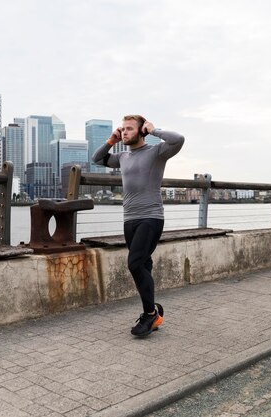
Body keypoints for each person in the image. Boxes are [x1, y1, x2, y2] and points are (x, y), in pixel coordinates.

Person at [91, 115, 184, 337]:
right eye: (122, 129)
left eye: (129, 129)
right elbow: (97, 159)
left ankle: (150, 314)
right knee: (144, 265)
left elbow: (178, 139)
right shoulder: (122, 156)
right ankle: (152, 314)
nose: (124, 132)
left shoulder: (156, 152)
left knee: (134, 263)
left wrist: (154, 130)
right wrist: (111, 140)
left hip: (151, 217)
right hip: (129, 219)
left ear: (141, 131)